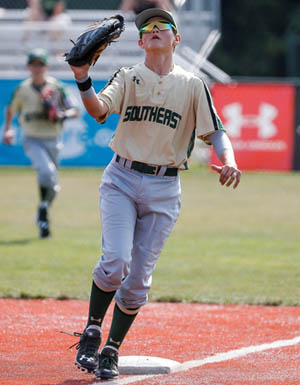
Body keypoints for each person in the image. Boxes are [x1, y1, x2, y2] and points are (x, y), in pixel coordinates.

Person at [68, 8, 241, 380]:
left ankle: (111, 350)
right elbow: (99, 110)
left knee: (137, 284)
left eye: (164, 25)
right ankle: (92, 331)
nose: (156, 28)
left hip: (165, 187)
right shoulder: (129, 76)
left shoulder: (193, 84)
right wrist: (83, 80)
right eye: (148, 26)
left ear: (176, 39)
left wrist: (229, 159)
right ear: (141, 41)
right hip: (122, 180)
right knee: (116, 261)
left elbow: (217, 131)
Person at [3, 48, 79, 238]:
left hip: (52, 138)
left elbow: (74, 109)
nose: (37, 68)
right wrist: (8, 129)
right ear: (29, 67)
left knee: (53, 186)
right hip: (32, 137)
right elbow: (10, 109)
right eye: (34, 64)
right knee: (46, 172)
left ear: (46, 66)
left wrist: (62, 114)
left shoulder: (57, 87)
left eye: (40, 64)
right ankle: (43, 211)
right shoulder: (22, 88)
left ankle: (43, 212)